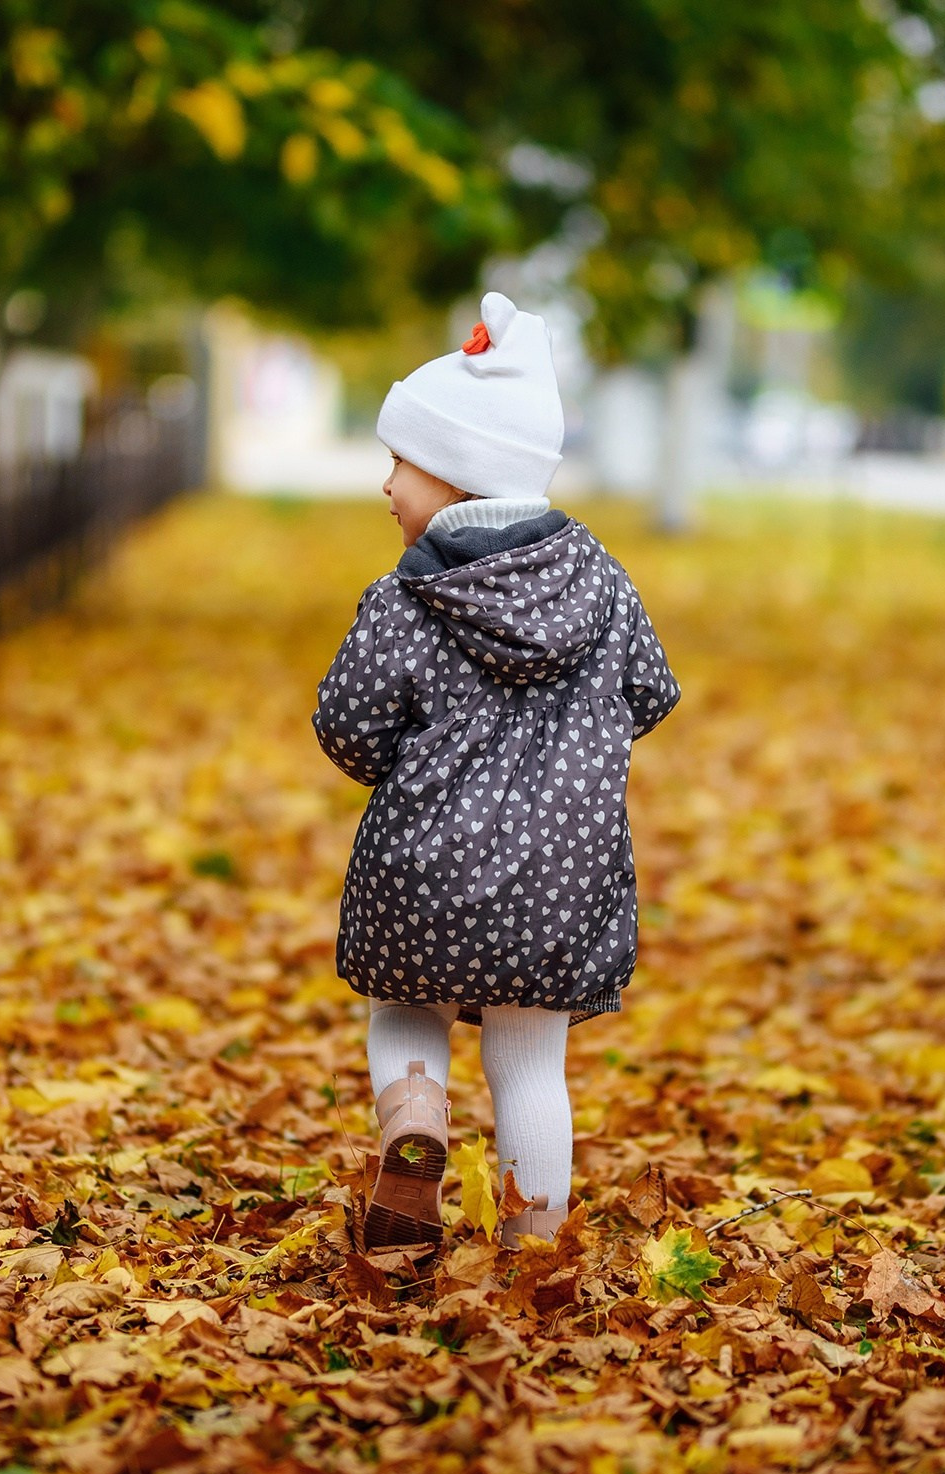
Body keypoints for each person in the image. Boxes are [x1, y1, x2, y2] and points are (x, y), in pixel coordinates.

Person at [311, 292, 681, 1251]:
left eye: (400, 462)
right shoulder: (604, 586)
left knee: (404, 1006)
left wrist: (416, 774)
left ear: (455, 476)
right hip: (561, 881)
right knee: (530, 1065)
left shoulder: (405, 598)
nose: (386, 484)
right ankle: (536, 1252)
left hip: (422, 873)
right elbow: (649, 693)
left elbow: (347, 728)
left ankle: (416, 1120)